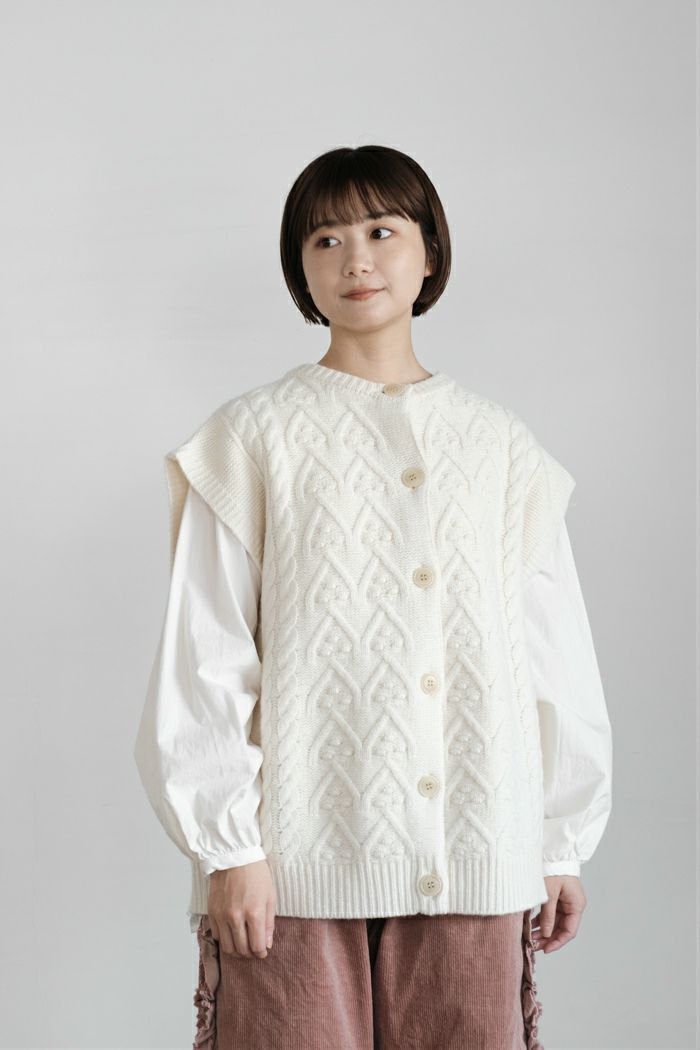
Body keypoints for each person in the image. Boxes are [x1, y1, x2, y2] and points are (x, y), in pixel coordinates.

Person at [133, 144, 613, 1050]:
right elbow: (207, 650)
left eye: (382, 231)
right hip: (293, 867)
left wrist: (558, 840)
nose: (355, 258)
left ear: (430, 251)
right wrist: (229, 849)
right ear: (299, 270)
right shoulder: (251, 438)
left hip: (477, 849)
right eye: (325, 239)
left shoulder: (502, 447)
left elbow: (553, 652)